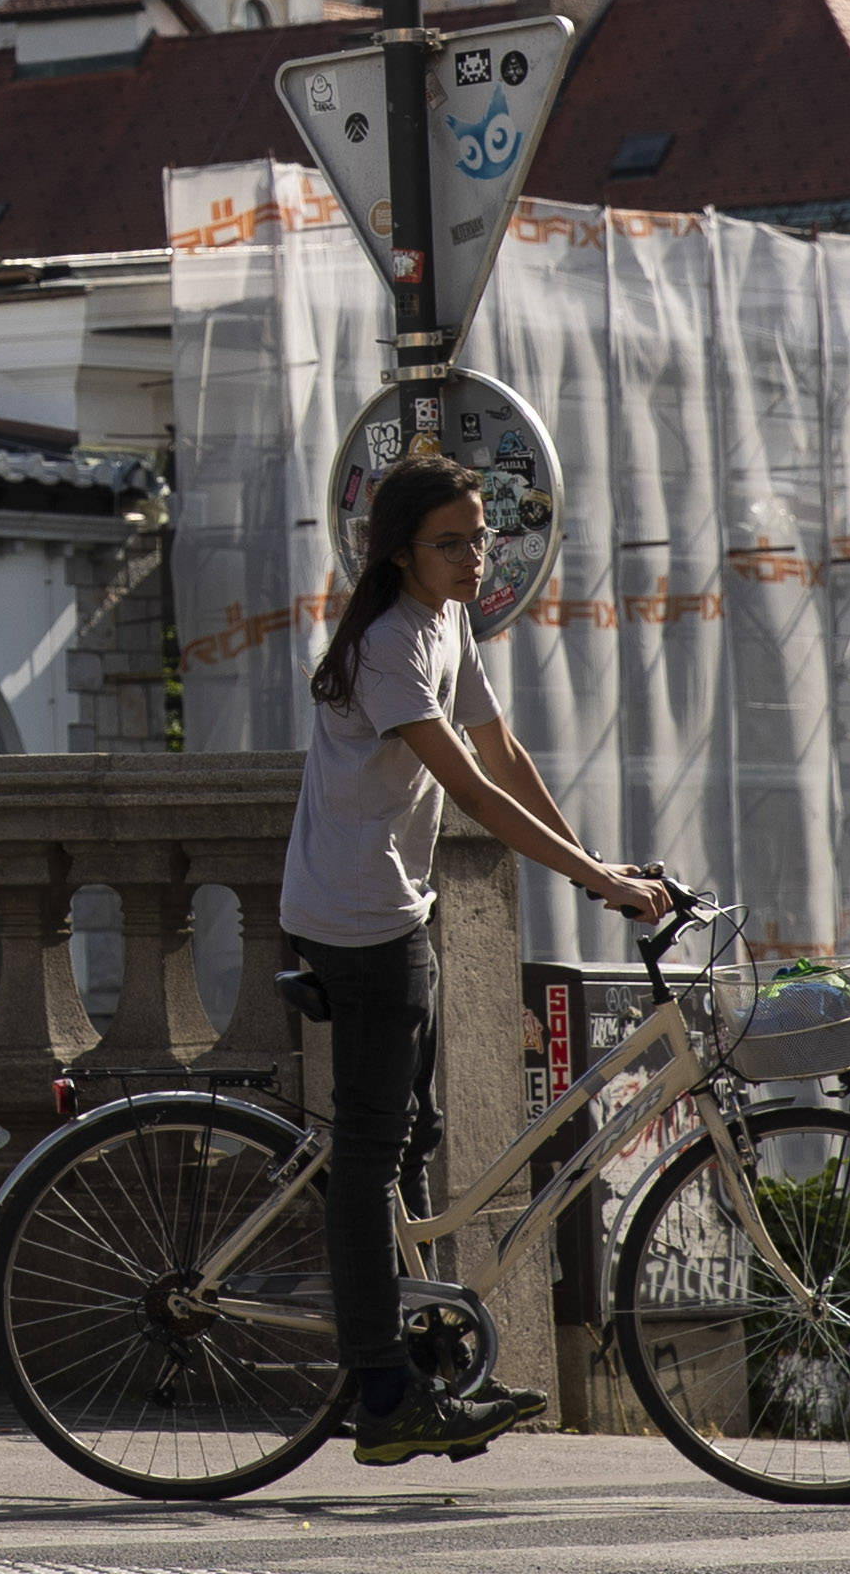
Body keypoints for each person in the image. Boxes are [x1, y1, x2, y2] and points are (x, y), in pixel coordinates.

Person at [285, 453, 668, 1469]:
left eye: (478, 538)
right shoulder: (384, 647)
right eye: (449, 542)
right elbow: (473, 797)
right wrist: (602, 880)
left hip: (393, 909)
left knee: (412, 1138)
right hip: (355, 920)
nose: (472, 557)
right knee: (369, 1161)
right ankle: (379, 1391)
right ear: (400, 551)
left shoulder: (448, 620)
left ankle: (430, 1358)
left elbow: (506, 756)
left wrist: (596, 867)